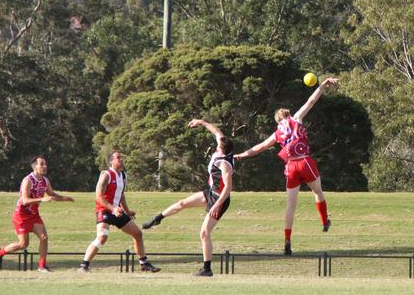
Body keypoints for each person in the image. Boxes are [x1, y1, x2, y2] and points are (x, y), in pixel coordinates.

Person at [235, 78, 338, 255]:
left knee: (290, 206)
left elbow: (258, 148)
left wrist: (241, 155)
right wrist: (323, 84)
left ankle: (287, 240)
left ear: (277, 120)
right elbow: (311, 101)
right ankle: (324, 221)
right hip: (305, 161)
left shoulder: (277, 133)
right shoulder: (296, 118)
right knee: (318, 193)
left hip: (291, 167)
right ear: (288, 114)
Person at [142, 119, 234, 277]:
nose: (217, 142)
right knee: (182, 203)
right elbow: (217, 132)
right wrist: (201, 122)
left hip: (220, 199)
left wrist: (216, 205)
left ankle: (207, 269)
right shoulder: (222, 147)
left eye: (219, 144)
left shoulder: (224, 163)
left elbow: (228, 187)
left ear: (221, 148)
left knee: (204, 233)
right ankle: (158, 218)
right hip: (211, 192)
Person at [78, 150, 160, 273]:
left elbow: (121, 194)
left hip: (118, 212)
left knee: (138, 234)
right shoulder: (106, 175)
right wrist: (113, 208)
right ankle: (84, 266)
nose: (121, 159)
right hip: (104, 210)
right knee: (102, 237)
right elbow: (98, 197)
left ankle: (144, 264)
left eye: (121, 157)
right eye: (118, 157)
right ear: (111, 161)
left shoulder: (123, 175)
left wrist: (127, 211)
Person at [0, 156, 75, 272]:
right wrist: (42, 199)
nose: (45, 166)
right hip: (21, 216)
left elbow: (51, 194)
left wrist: (65, 198)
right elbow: (25, 201)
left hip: (34, 215)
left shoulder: (45, 181)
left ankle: (42, 266)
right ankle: (0, 252)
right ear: (35, 167)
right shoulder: (28, 180)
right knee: (23, 244)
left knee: (44, 237)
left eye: (45, 164)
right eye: (41, 164)